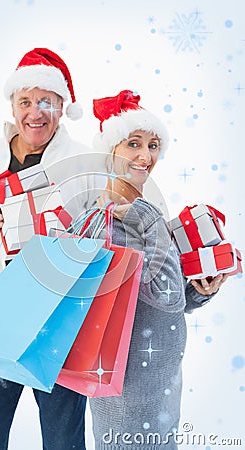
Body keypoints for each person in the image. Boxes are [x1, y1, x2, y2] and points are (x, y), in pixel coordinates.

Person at [0, 48, 102, 450]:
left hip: (60, 327)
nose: (35, 113)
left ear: (63, 106)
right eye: (26, 102)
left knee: (64, 442)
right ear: (13, 105)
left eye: (46, 101)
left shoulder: (84, 162)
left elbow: (107, 241)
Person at [89, 90, 228, 449]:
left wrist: (200, 290)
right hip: (128, 396)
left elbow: (170, 299)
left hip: (161, 386)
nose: (145, 156)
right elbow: (164, 296)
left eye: (153, 145)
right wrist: (152, 221)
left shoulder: (143, 213)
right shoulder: (107, 223)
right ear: (109, 152)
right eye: (133, 143)